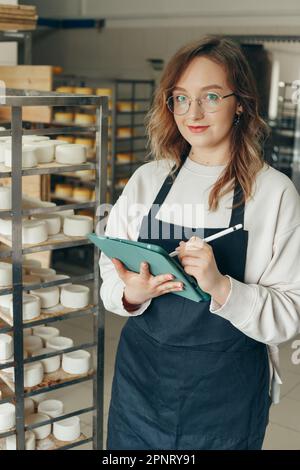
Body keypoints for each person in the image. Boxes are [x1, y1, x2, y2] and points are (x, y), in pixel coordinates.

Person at [99, 35, 300, 450]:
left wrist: (222, 287)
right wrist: (129, 293)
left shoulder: (274, 194)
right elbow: (109, 268)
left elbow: (289, 312)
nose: (193, 113)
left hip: (225, 396)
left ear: (240, 101)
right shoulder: (148, 181)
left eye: (211, 96)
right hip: (142, 384)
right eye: (181, 98)